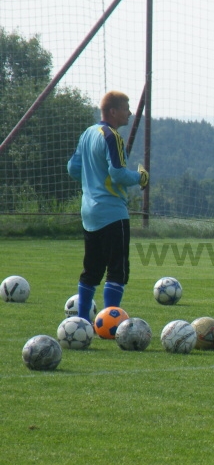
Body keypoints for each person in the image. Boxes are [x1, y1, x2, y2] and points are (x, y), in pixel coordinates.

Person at [67, 91, 148, 323]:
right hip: (112, 213)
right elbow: (118, 173)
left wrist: (91, 181)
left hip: (89, 213)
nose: (130, 113)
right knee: (117, 269)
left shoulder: (88, 133)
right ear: (113, 111)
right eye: (126, 108)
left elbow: (72, 169)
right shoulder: (111, 136)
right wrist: (140, 177)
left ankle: (82, 322)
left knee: (91, 270)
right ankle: (110, 323)